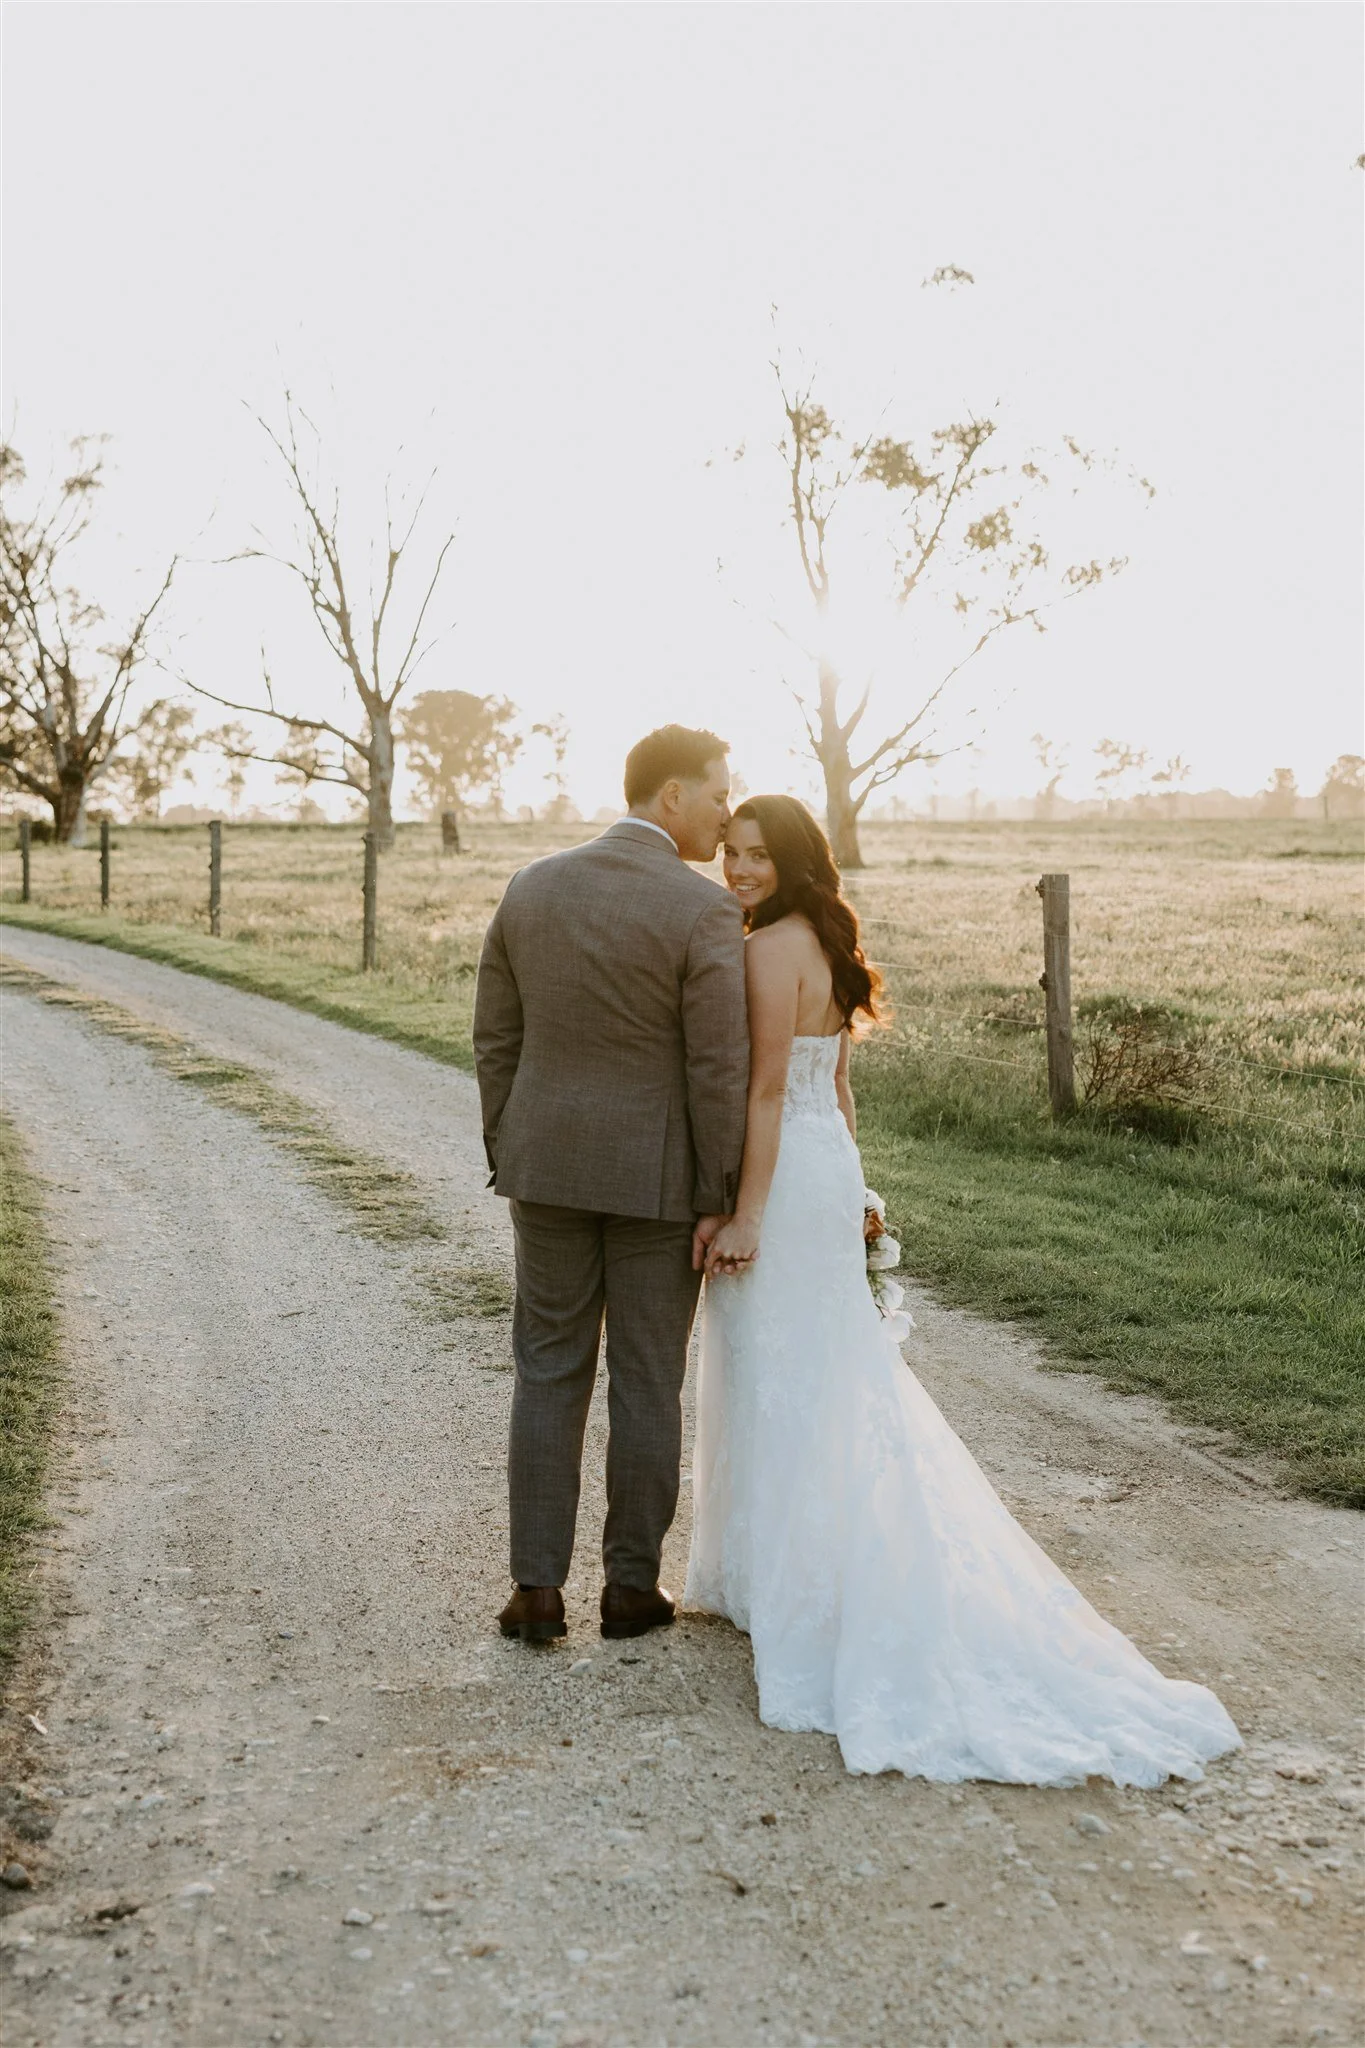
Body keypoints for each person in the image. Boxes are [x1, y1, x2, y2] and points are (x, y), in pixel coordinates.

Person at [685, 794, 1242, 1785]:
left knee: (777, 1371)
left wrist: (749, 1213)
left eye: (758, 855)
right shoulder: (824, 941)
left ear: (796, 860)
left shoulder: (769, 950)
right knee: (821, 1371)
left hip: (782, 1179)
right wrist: (853, 1191)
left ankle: (794, 1587)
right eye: (731, 852)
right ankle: (776, 1574)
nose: (738, 870)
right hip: (823, 1167)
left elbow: (767, 1091)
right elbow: (836, 1093)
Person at [473, 725, 748, 1643]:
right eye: (717, 793)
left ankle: (535, 1591)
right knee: (646, 1381)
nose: (726, 812)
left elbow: (495, 1036)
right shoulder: (702, 909)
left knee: (547, 1370)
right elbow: (718, 1067)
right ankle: (630, 1588)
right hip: (657, 1184)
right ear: (671, 795)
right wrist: (717, 1194)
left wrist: (511, 1141)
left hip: (544, 1168)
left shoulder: (531, 885)